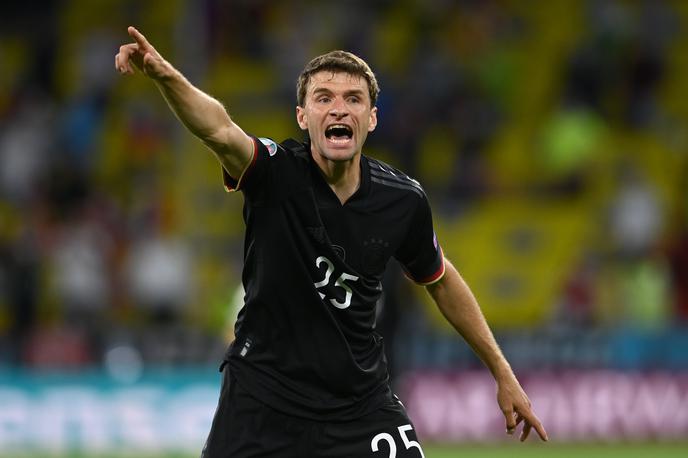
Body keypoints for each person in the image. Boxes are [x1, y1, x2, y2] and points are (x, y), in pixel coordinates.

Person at [116, 26, 548, 457]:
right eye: (324, 98)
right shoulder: (276, 172)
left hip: (358, 404)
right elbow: (220, 130)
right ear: (304, 116)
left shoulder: (403, 200)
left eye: (353, 99)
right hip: (263, 398)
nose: (338, 110)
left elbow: (440, 279)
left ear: (372, 118)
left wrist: (502, 372)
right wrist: (165, 75)